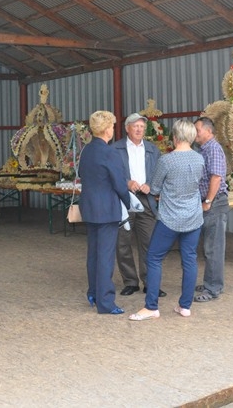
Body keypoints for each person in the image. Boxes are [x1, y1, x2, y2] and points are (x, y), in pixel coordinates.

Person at [130, 120, 204, 321]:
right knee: (189, 259)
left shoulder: (167, 160)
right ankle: (185, 306)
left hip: (170, 217)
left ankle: (151, 306)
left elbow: (154, 188)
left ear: (175, 137)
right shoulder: (199, 159)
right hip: (193, 217)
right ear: (191, 137)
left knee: (154, 258)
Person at [78, 110, 131, 315]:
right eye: (112, 126)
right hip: (107, 210)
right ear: (107, 129)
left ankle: (92, 293)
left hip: (89, 207)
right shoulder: (110, 152)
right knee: (105, 257)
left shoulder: (87, 150)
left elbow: (82, 173)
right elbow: (119, 183)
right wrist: (128, 202)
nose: (113, 129)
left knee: (93, 254)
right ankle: (106, 302)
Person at [112, 113, 165, 298]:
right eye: (135, 126)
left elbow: (159, 173)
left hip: (146, 199)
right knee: (122, 242)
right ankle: (130, 282)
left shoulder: (152, 149)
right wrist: (126, 182)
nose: (139, 129)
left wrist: (151, 185)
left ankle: (150, 283)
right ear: (127, 128)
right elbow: (111, 174)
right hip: (124, 199)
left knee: (149, 242)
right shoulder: (116, 148)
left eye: (142, 127)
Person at [193, 116, 229, 303]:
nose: (195, 133)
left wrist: (207, 201)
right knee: (209, 246)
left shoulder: (213, 148)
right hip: (210, 202)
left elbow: (216, 177)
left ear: (208, 131)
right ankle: (211, 282)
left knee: (213, 248)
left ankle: (213, 288)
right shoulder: (203, 149)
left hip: (214, 203)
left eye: (197, 130)